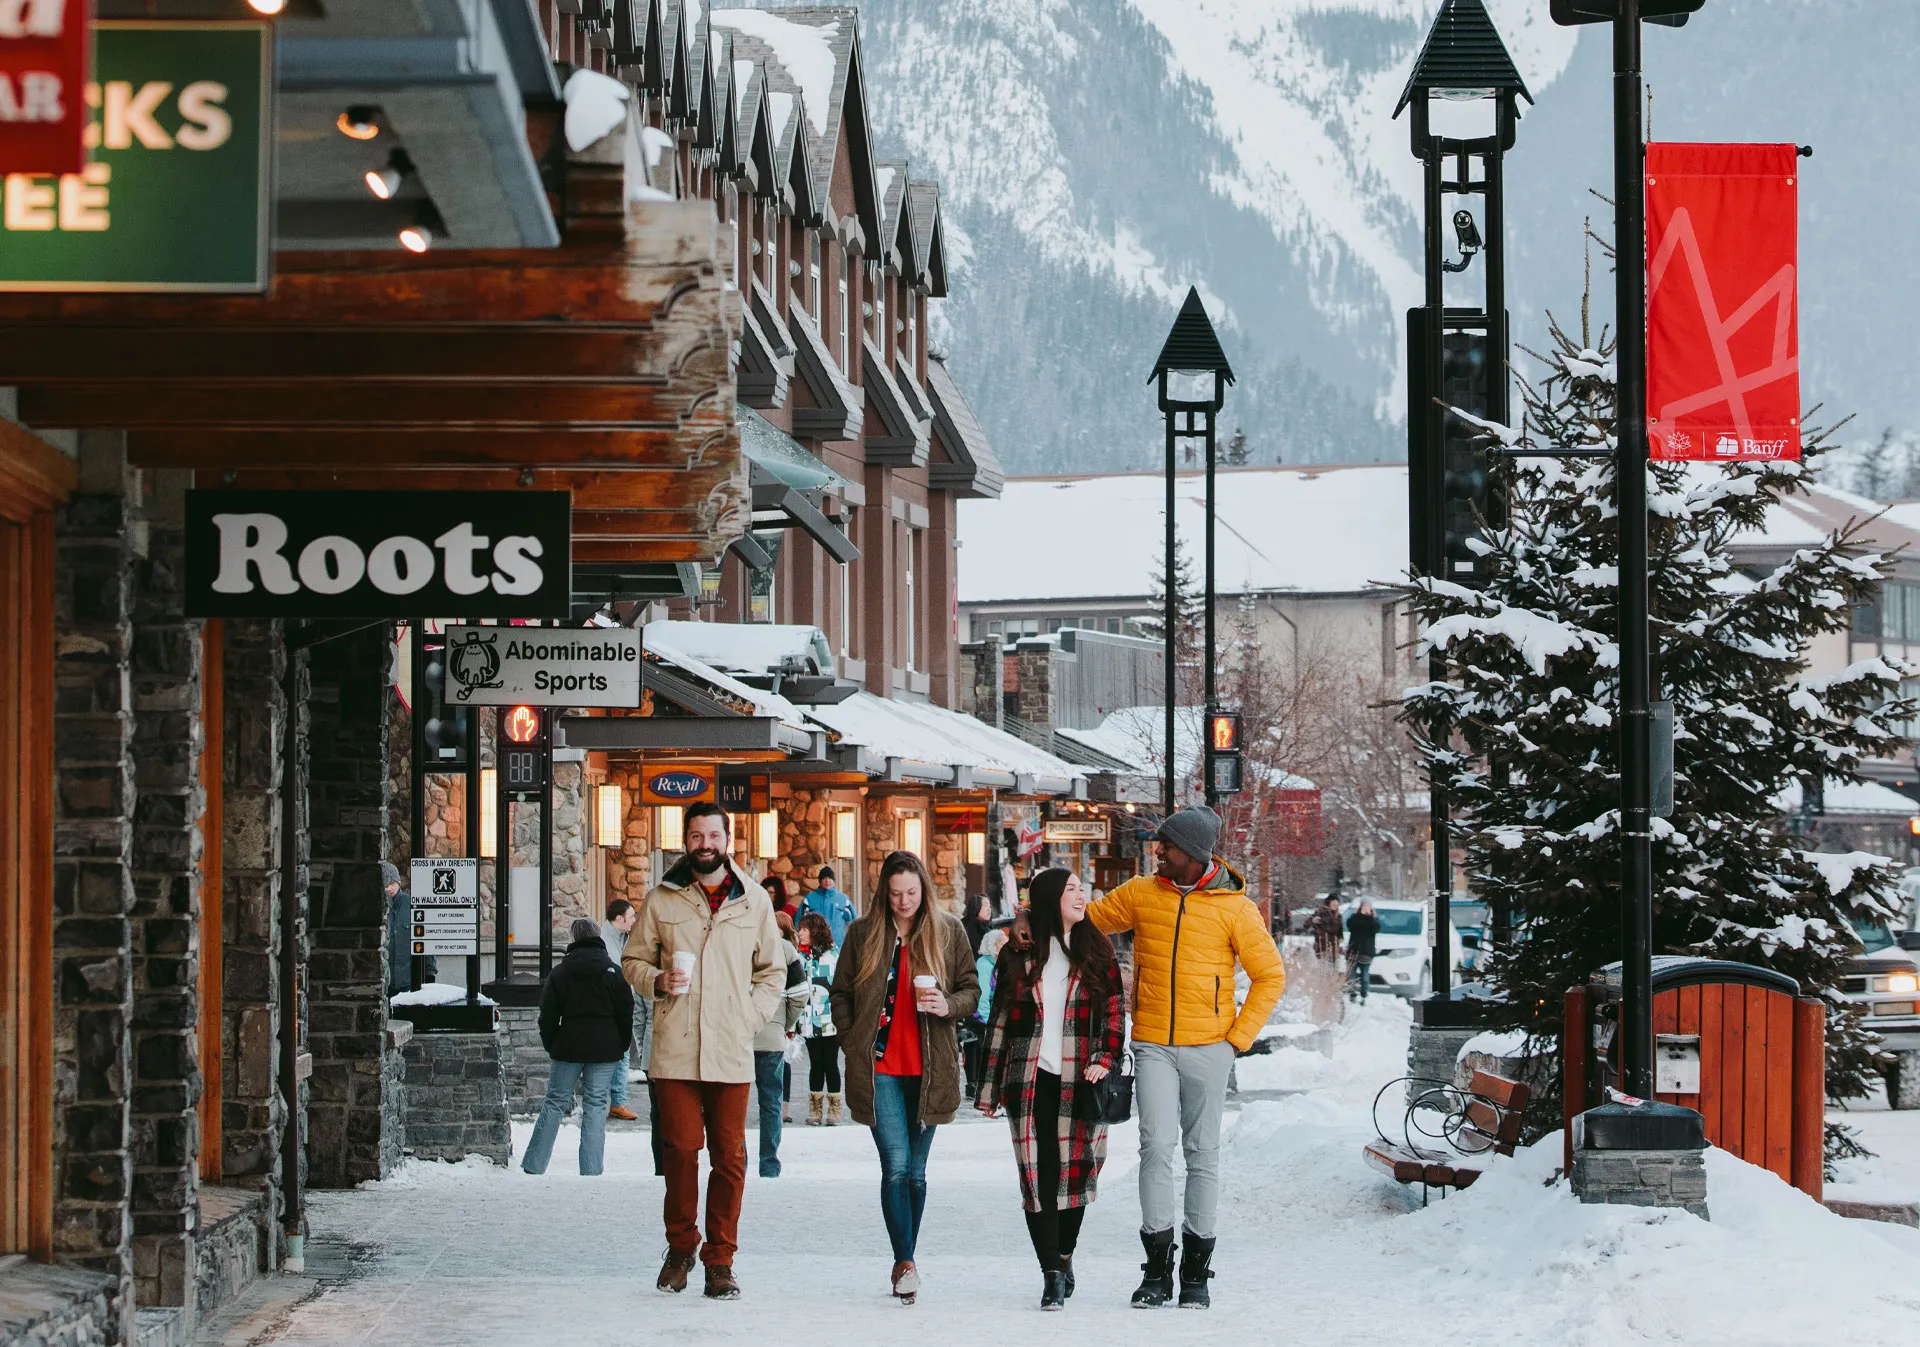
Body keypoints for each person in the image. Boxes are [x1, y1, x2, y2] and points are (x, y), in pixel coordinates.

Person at [1013, 806, 1284, 1309]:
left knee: (1203, 1155)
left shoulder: (1235, 908)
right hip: (1155, 1042)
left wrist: (1235, 1040)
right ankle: (1157, 1267)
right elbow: (1083, 919)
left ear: (1194, 854)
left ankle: (1197, 1273)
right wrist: (1028, 919)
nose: (1157, 852)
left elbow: (1271, 976)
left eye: (1167, 846)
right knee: (1156, 1148)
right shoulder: (1141, 893)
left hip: (1211, 1046)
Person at [623, 803, 783, 1301]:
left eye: (714, 835)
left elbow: (773, 973)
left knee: (730, 1158)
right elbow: (631, 960)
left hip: (731, 1050)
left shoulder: (753, 902)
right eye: (696, 836)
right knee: (680, 1152)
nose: (705, 844)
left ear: (726, 840)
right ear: (685, 841)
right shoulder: (662, 899)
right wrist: (657, 979)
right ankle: (680, 1246)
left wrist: (748, 1018)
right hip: (675, 1049)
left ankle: (720, 1260)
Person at [831, 851, 980, 1304]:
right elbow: (840, 992)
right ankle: (905, 1263)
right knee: (895, 1166)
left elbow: (972, 990)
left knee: (916, 1172)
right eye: (895, 894)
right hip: (880, 1068)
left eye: (911, 893)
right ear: (884, 893)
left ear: (923, 890)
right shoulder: (862, 933)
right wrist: (851, 1037)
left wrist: (947, 1006)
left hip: (931, 1068)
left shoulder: (948, 930)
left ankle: (906, 1259)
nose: (903, 901)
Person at [977, 868, 1125, 1310]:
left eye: (1083, 888)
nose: (1082, 895)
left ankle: (1063, 1254)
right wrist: (988, 1087)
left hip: (1083, 1077)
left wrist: (1104, 1058)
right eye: (1072, 889)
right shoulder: (1019, 954)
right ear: (1049, 899)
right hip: (1029, 1077)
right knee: (1038, 1175)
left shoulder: (1097, 950)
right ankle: (1051, 1274)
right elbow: (999, 1020)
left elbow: (1116, 1013)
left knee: (1077, 1171)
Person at [522, 918, 634, 1176]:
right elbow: (626, 1010)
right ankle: (591, 1169)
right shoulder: (612, 971)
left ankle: (534, 1165)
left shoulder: (561, 972)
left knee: (554, 1103)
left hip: (568, 1045)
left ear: (574, 939)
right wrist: (620, 1043)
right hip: (605, 1047)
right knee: (596, 1104)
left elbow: (547, 1013)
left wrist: (552, 1043)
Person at [751, 912, 810, 1177]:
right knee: (771, 1102)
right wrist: (785, 1024)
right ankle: (769, 1163)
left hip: (737, 1036)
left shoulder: (740, 943)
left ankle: (733, 1162)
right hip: (771, 1038)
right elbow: (800, 993)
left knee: (732, 1104)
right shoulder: (786, 950)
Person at [795, 911, 842, 1125]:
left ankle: (834, 1109)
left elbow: (842, 985)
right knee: (815, 1064)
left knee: (830, 1063)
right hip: (808, 1020)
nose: (800, 933)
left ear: (814, 931)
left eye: (804, 929)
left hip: (830, 1019)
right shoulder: (800, 957)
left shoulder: (833, 954)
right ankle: (815, 1110)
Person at [600, 898, 642, 1121]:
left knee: (623, 1052)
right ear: (619, 919)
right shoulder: (605, 941)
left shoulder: (624, 938)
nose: (634, 920)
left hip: (623, 1002)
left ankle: (617, 1101)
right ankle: (616, 1101)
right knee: (620, 1053)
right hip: (612, 1005)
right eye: (631, 916)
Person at [382, 861, 436, 996]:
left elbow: (425, 940)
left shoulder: (412, 907)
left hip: (409, 983)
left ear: (398, 883)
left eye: (392, 883)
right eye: (386, 885)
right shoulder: (377, 908)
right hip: (385, 983)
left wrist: (430, 972)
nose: (389, 888)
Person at [800, 865, 857, 948]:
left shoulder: (843, 899)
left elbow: (853, 922)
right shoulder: (809, 899)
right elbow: (799, 922)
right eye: (824, 878)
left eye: (830, 878)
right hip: (815, 945)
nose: (827, 881)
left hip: (838, 945)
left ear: (834, 881)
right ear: (820, 881)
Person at [1346, 900, 1380, 1003]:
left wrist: (1369, 917)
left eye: (1367, 907)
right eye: (1363, 907)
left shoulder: (1373, 920)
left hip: (1366, 952)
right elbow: (1350, 926)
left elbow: (1375, 929)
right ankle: (1352, 994)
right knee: (1351, 975)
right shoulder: (1354, 918)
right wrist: (1360, 916)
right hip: (1353, 950)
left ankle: (1364, 994)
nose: (1365, 909)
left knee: (1365, 976)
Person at [1310, 894, 1344, 962]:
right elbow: (1307, 924)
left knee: (1332, 969)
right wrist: (1313, 920)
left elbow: (1340, 929)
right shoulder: (1320, 912)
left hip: (1334, 947)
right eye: (1333, 903)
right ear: (1329, 903)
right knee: (1323, 968)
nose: (1335, 905)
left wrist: (1341, 937)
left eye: (1336, 903)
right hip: (1322, 945)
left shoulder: (1338, 916)